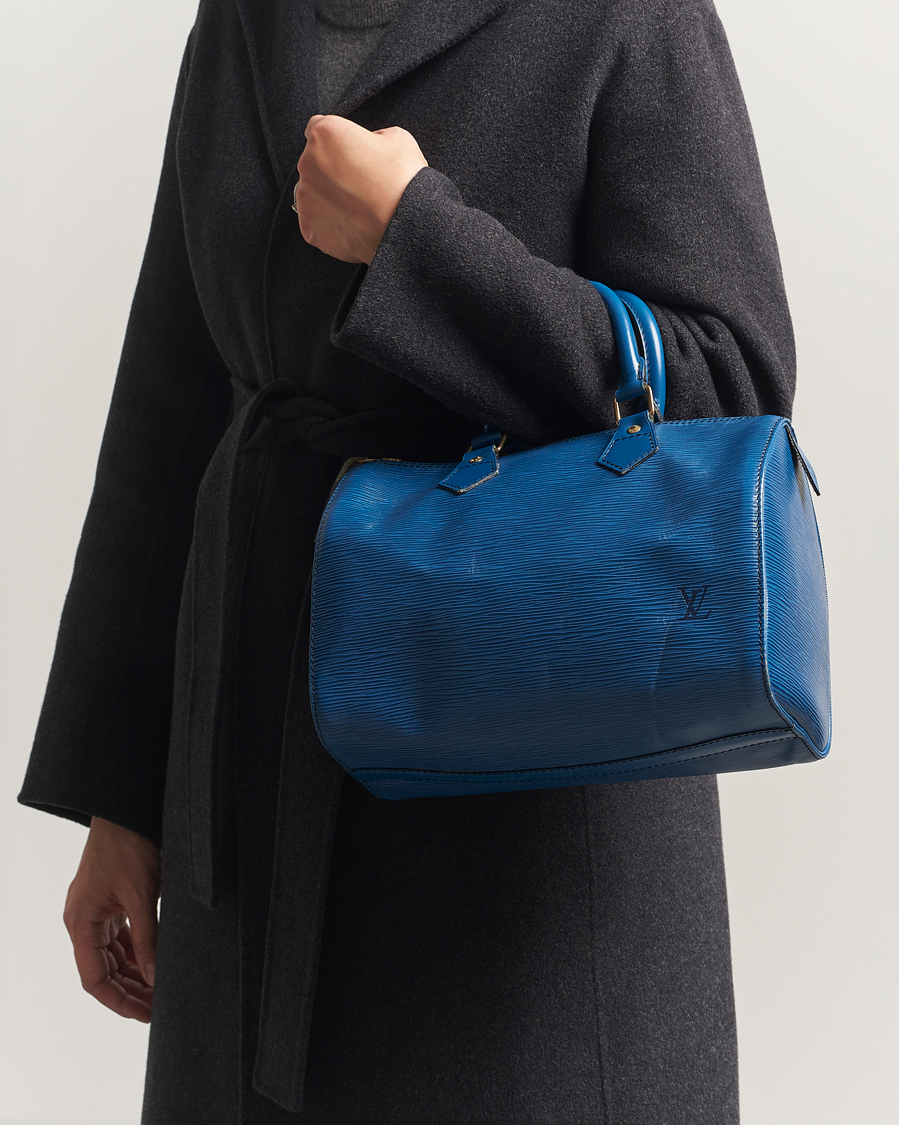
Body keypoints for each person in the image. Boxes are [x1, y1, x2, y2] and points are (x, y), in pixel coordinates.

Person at [17, 0, 795, 1121]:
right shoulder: (241, 20)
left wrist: (418, 242)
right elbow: (171, 403)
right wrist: (124, 803)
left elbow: (730, 387)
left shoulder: (629, 16)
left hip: (528, 827)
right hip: (251, 794)